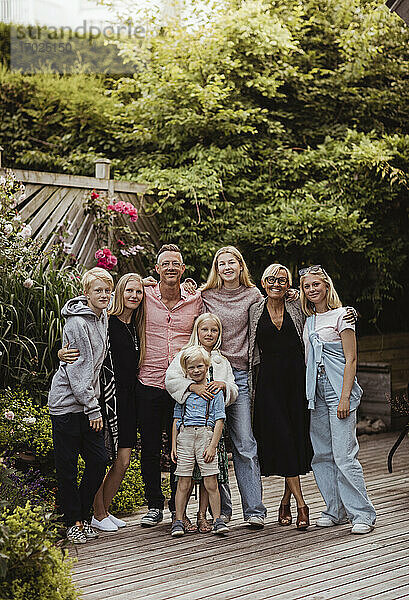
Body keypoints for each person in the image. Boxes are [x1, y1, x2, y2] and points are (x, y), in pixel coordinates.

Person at [58, 273, 146, 532]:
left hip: (129, 398)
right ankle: (94, 513)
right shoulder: (108, 321)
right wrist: (61, 352)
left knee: (122, 459)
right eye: (128, 290)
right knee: (103, 458)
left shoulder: (129, 321)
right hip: (105, 398)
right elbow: (78, 355)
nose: (134, 295)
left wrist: (149, 284)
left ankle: (102, 510)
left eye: (138, 292)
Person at [300, 265, 376, 534]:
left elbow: (351, 359)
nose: (312, 290)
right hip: (314, 392)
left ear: (326, 286)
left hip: (336, 389)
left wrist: (345, 397)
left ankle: (362, 513)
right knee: (321, 454)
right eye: (307, 286)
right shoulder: (307, 319)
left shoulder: (343, 315)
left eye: (316, 285)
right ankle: (336, 509)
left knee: (344, 455)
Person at [200, 246, 267, 527]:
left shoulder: (253, 296)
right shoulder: (206, 296)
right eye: (221, 263)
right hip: (209, 375)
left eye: (232, 262)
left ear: (241, 266)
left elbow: (276, 309)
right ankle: (222, 511)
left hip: (239, 375)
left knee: (244, 443)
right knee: (212, 443)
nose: (227, 267)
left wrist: (292, 295)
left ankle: (254, 511)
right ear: (217, 268)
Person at [138, 244, 203, 529]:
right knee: (151, 447)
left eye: (176, 263)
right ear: (157, 269)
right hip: (149, 382)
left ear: (183, 269)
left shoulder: (195, 299)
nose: (171, 268)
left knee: (182, 448)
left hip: (182, 386)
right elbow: (114, 297)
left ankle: (180, 508)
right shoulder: (144, 295)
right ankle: (154, 504)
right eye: (165, 264)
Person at [48, 267, 113, 544]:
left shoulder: (102, 317)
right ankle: (73, 521)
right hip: (67, 405)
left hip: (86, 401)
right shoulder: (77, 323)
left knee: (98, 461)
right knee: (68, 467)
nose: (104, 295)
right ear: (86, 294)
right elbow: (78, 371)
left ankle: (83, 517)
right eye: (98, 290)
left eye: (107, 290)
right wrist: (93, 408)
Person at [248, 264, 312, 530]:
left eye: (282, 280)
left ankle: (285, 501)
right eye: (272, 279)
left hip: (297, 381)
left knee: (295, 439)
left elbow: (323, 310)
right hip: (269, 384)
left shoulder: (297, 306)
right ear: (263, 282)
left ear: (288, 286)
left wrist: (348, 313)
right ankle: (301, 504)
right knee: (283, 437)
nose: (277, 283)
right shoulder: (254, 309)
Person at [165, 313, 238, 531]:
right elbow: (171, 381)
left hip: (209, 429)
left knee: (209, 476)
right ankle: (180, 517)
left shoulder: (221, 361)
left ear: (219, 334)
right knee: (184, 476)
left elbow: (234, 389)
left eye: (214, 330)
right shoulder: (184, 356)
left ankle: (203, 515)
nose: (209, 334)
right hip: (187, 430)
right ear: (197, 330)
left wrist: (223, 386)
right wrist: (191, 387)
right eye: (204, 329)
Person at [170, 346, 228, 537]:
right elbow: (176, 420)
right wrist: (173, 446)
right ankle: (178, 520)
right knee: (183, 482)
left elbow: (219, 420)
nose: (196, 370)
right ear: (186, 370)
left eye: (200, 366)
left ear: (207, 366)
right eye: (192, 367)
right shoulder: (184, 391)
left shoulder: (214, 391)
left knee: (210, 481)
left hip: (205, 435)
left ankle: (218, 519)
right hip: (185, 437)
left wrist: (213, 446)